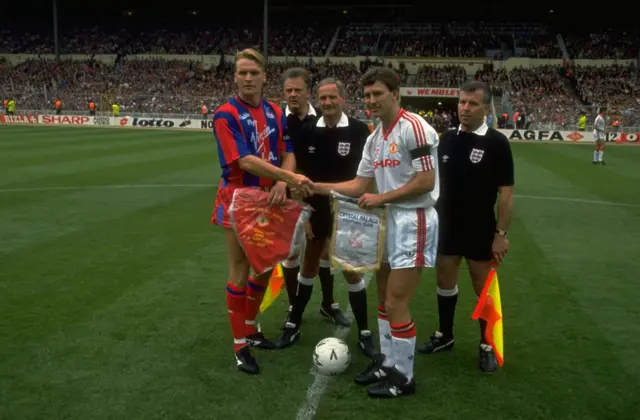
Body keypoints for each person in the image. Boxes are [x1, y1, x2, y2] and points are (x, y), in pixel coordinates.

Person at [313, 68, 439, 398]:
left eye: (378, 94)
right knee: (382, 298)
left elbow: (426, 181)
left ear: (396, 94)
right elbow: (358, 185)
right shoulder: (375, 137)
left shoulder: (414, 128)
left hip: (414, 221)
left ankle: (405, 378)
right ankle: (388, 362)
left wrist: (382, 198)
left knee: (397, 300)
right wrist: (316, 186)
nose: (371, 101)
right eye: (367, 95)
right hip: (388, 222)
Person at [211, 48, 313, 375]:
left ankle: (252, 328)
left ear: (264, 76)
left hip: (270, 197)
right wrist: (287, 176)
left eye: (254, 73)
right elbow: (244, 161)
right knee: (240, 269)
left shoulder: (273, 112)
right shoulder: (225, 114)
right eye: (242, 72)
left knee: (267, 266)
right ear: (235, 76)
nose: (248, 78)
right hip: (239, 200)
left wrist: (283, 183)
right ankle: (240, 345)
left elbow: (289, 150)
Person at [416, 81, 514, 373]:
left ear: (486, 107)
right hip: (446, 226)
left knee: (481, 285)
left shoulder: (497, 142)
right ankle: (445, 335)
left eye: (472, 104)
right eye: (461, 103)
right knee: (444, 279)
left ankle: (486, 343)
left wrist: (501, 236)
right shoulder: (446, 139)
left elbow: (506, 195)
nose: (465, 108)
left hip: (480, 228)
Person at [275, 78, 375, 357]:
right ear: (317, 100)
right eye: (323, 98)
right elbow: (299, 176)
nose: (328, 102)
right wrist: (304, 214)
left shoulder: (359, 130)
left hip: (349, 209)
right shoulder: (306, 131)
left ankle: (365, 332)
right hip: (315, 207)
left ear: (343, 99)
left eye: (333, 97)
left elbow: (366, 175)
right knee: (309, 264)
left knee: (351, 269)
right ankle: (293, 322)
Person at [280, 68, 347, 326]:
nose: (293, 95)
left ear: (309, 92)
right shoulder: (277, 118)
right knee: (292, 254)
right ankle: (293, 305)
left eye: (298, 90)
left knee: (323, 252)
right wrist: (299, 204)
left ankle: (328, 303)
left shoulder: (322, 117)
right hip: (288, 195)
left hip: (319, 196)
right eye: (289, 90)